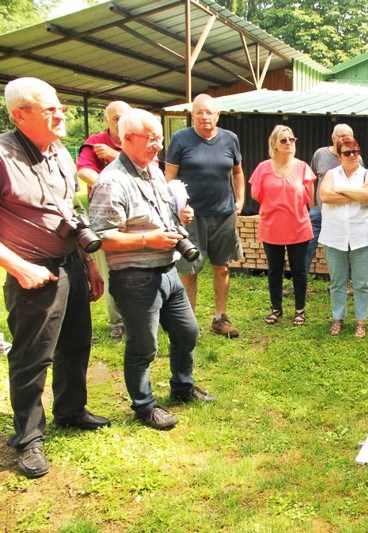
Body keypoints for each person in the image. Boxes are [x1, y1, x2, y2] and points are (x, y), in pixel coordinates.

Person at [0, 77, 110, 479]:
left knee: (76, 343)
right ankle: (28, 438)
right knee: (32, 357)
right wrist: (17, 266)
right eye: (50, 109)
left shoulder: (60, 151)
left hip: (72, 264)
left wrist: (89, 263)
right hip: (33, 271)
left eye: (60, 106)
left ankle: (70, 410)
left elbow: (69, 210)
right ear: (20, 115)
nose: (61, 114)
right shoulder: (3, 155)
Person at [89, 108, 215, 431]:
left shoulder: (153, 171)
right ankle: (144, 406)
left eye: (160, 137)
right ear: (127, 139)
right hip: (134, 277)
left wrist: (178, 217)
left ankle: (183, 387)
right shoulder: (111, 181)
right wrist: (150, 239)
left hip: (167, 271)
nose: (159, 145)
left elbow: (161, 213)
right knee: (144, 346)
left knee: (188, 331)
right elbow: (101, 237)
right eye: (152, 138)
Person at [165, 93, 245, 338]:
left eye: (209, 112)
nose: (204, 117)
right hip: (191, 217)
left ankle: (220, 318)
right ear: (193, 115)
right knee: (189, 271)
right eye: (199, 112)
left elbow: (238, 172)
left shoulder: (230, 139)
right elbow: (169, 179)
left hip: (223, 214)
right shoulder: (180, 139)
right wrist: (177, 208)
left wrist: (239, 201)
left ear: (217, 115)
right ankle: (189, 323)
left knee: (221, 268)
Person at [249, 125, 316, 326]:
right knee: (274, 270)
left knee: (300, 270)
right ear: (274, 144)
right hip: (271, 227)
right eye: (284, 140)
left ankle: (300, 310)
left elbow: (309, 197)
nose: (289, 143)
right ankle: (276, 308)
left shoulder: (303, 167)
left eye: (292, 139)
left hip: (298, 226)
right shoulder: (262, 168)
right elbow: (255, 194)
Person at [77, 100, 132, 340]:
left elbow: (151, 168)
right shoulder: (94, 142)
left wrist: (114, 156)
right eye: (116, 118)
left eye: (125, 118)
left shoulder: (136, 139)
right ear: (106, 120)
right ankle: (117, 321)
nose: (120, 123)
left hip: (135, 216)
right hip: (107, 216)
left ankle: (138, 315)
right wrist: (114, 187)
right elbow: (84, 171)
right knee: (110, 269)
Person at [318, 135, 368, 338]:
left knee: (363, 283)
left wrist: (342, 190)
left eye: (356, 151)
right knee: (337, 282)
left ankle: (361, 321)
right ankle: (338, 319)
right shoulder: (330, 174)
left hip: (363, 237)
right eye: (347, 152)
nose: (352, 155)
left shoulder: (367, 174)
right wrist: (356, 193)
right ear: (339, 155)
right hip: (335, 237)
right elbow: (325, 196)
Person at [305, 123, 357, 273]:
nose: (344, 140)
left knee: (342, 251)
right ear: (333, 137)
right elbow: (310, 179)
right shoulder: (320, 154)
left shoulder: (355, 159)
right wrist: (312, 205)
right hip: (319, 213)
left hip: (341, 216)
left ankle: (341, 284)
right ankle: (299, 286)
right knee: (306, 248)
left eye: (348, 137)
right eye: (341, 136)